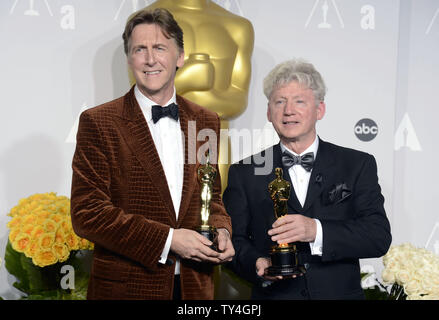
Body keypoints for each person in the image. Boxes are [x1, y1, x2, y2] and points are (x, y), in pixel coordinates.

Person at [70, 8, 234, 300]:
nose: (150, 59)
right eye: (139, 49)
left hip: (195, 288)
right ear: (129, 59)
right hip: (126, 289)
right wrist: (169, 240)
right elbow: (88, 213)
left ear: (180, 57)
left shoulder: (206, 120)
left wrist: (222, 230)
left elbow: (212, 197)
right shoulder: (99, 122)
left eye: (160, 47)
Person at [223, 58, 392, 299]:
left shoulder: (357, 164)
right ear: (269, 112)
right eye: (279, 101)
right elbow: (233, 240)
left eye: (299, 101)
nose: (288, 110)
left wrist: (315, 230)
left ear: (319, 110)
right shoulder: (244, 171)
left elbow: (377, 236)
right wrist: (256, 263)